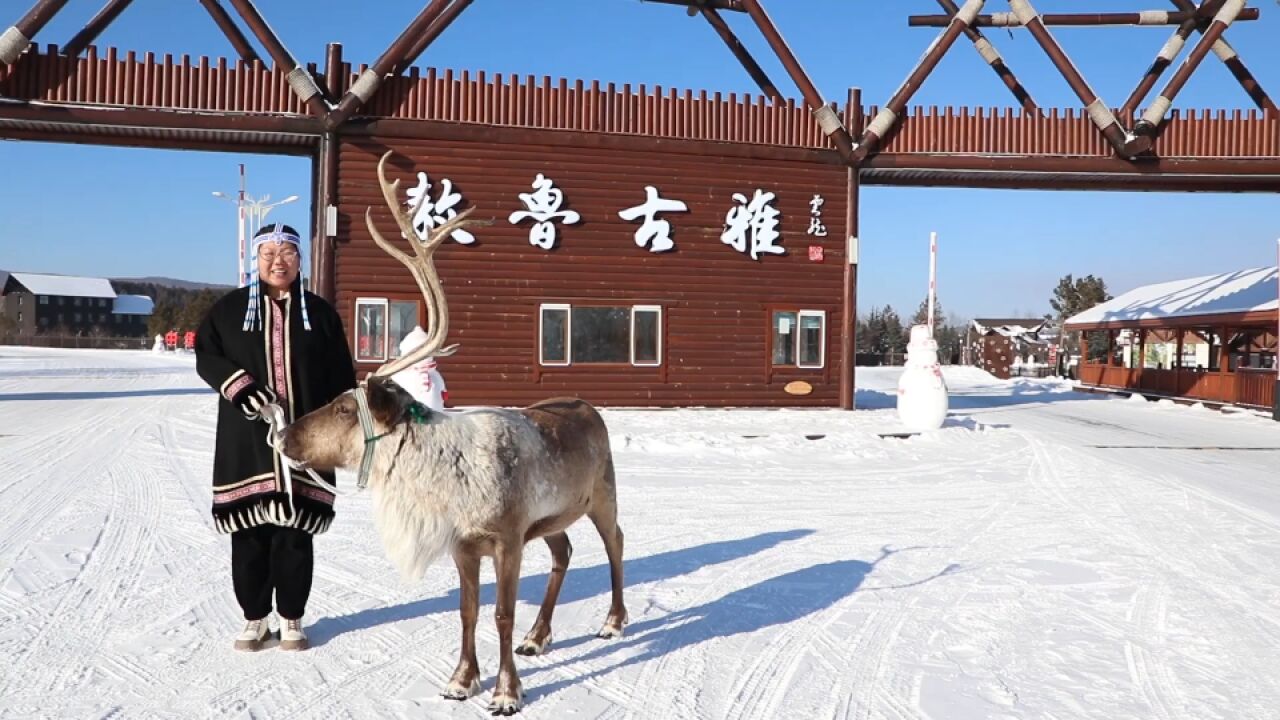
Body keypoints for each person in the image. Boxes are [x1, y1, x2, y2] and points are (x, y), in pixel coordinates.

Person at [195, 224, 356, 652]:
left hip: (306, 442)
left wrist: (338, 429)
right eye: (269, 253)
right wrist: (242, 387)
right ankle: (254, 619)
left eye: (286, 253)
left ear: (300, 260)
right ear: (256, 260)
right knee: (249, 535)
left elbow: (342, 379)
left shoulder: (320, 315)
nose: (278, 261)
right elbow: (205, 356)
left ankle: (291, 618)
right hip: (246, 440)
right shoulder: (228, 311)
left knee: (294, 534)